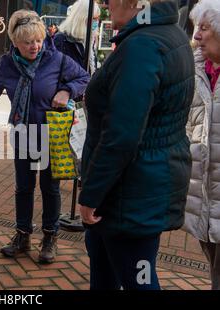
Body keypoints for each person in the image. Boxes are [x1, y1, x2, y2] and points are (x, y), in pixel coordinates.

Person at [0, 9, 90, 264]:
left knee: (50, 187)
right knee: (23, 187)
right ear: (15, 42)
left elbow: (84, 78)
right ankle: (22, 235)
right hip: (23, 131)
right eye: (27, 42)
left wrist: (67, 91)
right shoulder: (7, 63)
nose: (34, 46)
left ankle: (49, 238)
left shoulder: (56, 60)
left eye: (37, 40)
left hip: (50, 132)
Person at [77, 0, 195, 290]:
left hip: (127, 197)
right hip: (139, 189)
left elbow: (122, 133)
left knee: (138, 280)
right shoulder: (169, 34)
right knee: (115, 274)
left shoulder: (142, 46)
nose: (105, 3)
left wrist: (91, 194)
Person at [183, 0, 220, 290]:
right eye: (197, 27)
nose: (196, 36)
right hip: (204, 201)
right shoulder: (195, 71)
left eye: (205, 29)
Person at [54, 0, 100, 72]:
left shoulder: (90, 39)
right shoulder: (61, 39)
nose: (97, 22)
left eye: (98, 18)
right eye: (94, 19)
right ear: (82, 19)